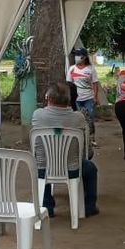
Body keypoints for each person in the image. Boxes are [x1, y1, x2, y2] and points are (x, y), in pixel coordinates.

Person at [31, 83, 99, 218]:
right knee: (90, 168)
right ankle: (89, 206)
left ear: (48, 98)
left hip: (43, 168)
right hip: (72, 169)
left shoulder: (38, 115)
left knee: (41, 163)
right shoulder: (78, 117)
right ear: (69, 99)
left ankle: (46, 206)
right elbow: (84, 148)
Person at [68, 48, 99, 145]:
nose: (76, 57)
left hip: (88, 98)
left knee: (90, 118)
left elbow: (95, 83)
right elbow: (69, 84)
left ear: (84, 57)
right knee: (76, 118)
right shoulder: (72, 69)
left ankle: (91, 139)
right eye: (75, 55)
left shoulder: (91, 69)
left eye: (78, 55)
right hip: (76, 99)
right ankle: (78, 138)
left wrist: (95, 97)